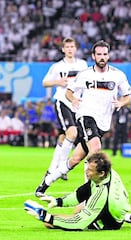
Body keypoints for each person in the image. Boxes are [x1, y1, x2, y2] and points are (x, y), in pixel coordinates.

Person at [35, 40, 131, 196]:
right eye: (99, 54)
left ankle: (45, 183)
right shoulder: (85, 74)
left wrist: (121, 102)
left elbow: (128, 96)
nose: (102, 57)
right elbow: (69, 92)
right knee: (96, 149)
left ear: (109, 56)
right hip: (86, 116)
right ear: (93, 56)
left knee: (75, 160)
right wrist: (73, 100)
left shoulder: (118, 75)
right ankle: (93, 192)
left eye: (105, 54)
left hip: (103, 123)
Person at [24, 151, 131, 230]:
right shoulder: (109, 173)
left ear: (101, 173)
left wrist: (47, 217)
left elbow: (78, 223)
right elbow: (80, 194)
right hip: (117, 206)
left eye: (90, 171)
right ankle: (127, 217)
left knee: (56, 222)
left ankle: (122, 218)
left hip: (110, 222)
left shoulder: (102, 195)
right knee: (79, 207)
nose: (86, 172)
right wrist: (58, 202)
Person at [35, 37, 87, 195]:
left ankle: (52, 170)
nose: (70, 49)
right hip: (63, 101)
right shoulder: (57, 66)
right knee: (72, 133)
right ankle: (62, 167)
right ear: (63, 50)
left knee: (64, 138)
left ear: (76, 48)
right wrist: (58, 81)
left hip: (77, 103)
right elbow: (45, 82)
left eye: (72, 46)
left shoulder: (83, 65)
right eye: (67, 47)